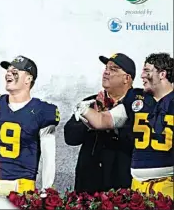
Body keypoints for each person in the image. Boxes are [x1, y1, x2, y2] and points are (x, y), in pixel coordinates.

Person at [74, 52, 174, 198]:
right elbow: (103, 121)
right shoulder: (136, 98)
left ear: (162, 74)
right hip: (137, 185)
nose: (142, 76)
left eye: (147, 71)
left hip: (167, 183)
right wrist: (84, 110)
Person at [0, 56, 59, 195]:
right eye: (8, 70)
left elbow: (49, 156)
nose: (8, 73)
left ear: (28, 79)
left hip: (22, 188)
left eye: (15, 71)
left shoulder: (42, 111)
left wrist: (46, 190)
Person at [64, 53, 136, 194]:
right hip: (89, 184)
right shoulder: (90, 102)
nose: (106, 72)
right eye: (106, 68)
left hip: (123, 185)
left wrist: (108, 121)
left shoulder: (138, 105)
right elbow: (70, 137)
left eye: (114, 69)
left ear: (127, 78)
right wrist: (91, 120)